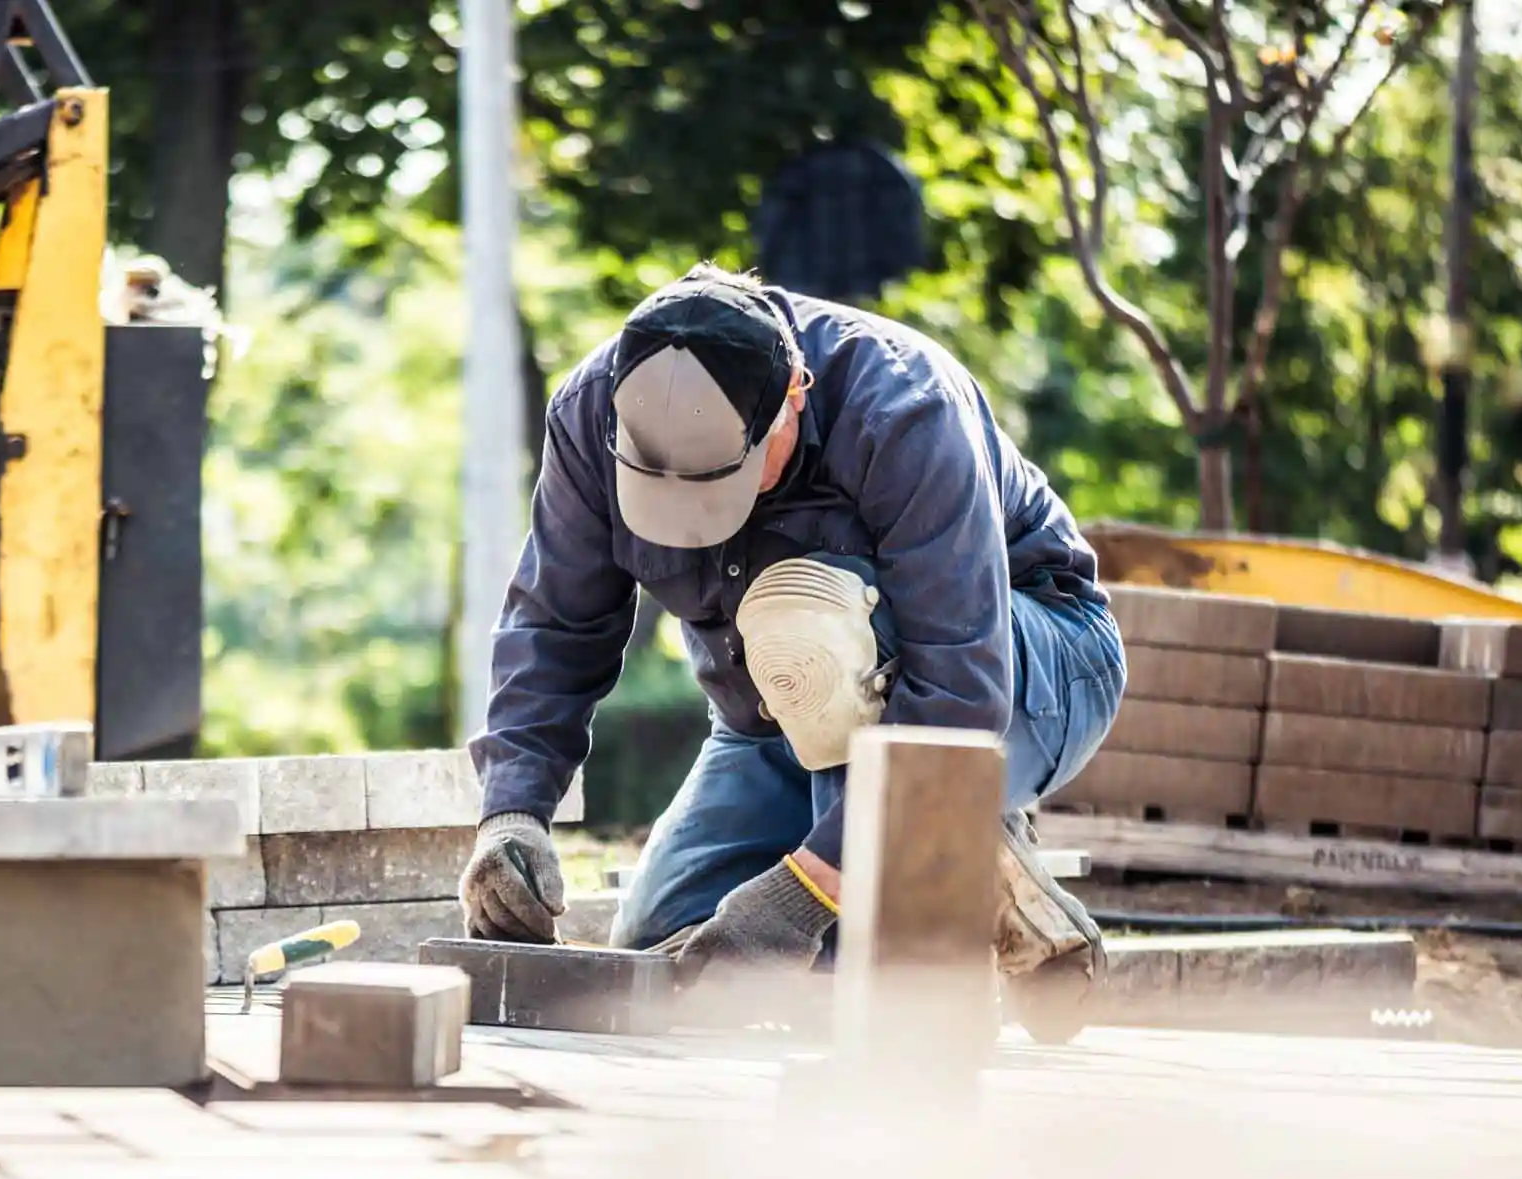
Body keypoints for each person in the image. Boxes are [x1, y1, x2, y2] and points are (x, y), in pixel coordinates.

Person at [457, 264, 1126, 989]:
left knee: (831, 951)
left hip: (1025, 678)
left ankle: (957, 851)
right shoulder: (591, 418)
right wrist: (512, 815)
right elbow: (555, 625)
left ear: (795, 396)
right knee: (674, 946)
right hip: (777, 716)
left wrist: (804, 893)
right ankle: (940, 851)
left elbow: (961, 688)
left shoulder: (903, 408)